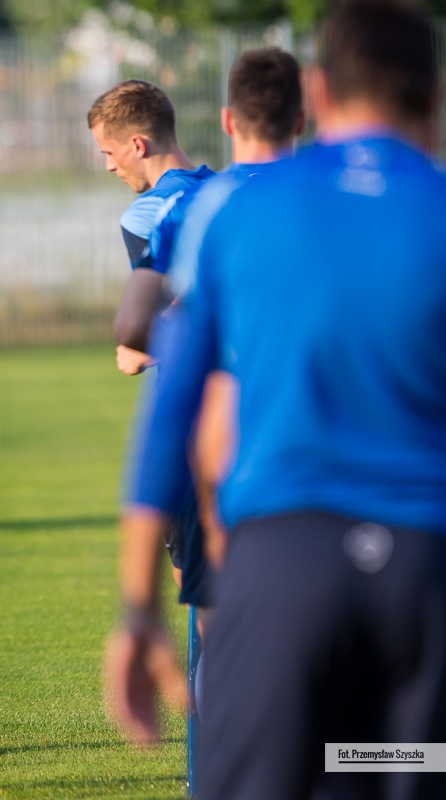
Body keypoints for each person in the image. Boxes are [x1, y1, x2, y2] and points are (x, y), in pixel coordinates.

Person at [116, 2, 446, 798]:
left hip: (284, 569)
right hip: (426, 574)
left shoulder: (234, 210)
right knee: (403, 769)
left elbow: (172, 407)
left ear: (320, 94)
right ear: (435, 93)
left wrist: (137, 605)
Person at [87, 79, 214, 377]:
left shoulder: (148, 211)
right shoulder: (224, 190)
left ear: (137, 145)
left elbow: (152, 319)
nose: (109, 166)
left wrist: (145, 349)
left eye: (108, 153)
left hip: (190, 387)